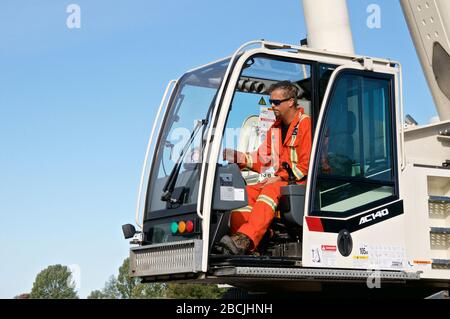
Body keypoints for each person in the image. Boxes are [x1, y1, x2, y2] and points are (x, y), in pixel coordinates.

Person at [218, 81, 312, 255]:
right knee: (242, 194)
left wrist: (281, 178)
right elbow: (263, 159)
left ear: (291, 102)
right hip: (280, 182)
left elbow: (307, 165)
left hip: (301, 184)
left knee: (270, 189)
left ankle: (245, 239)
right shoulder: (275, 128)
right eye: (270, 102)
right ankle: (248, 242)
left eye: (276, 102)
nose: (272, 106)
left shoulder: (306, 124)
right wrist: (239, 157)